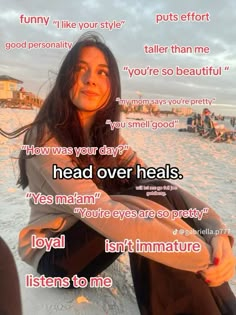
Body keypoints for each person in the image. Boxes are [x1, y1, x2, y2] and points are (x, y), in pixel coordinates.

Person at [1, 32, 236, 315]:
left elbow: (159, 186)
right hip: (57, 254)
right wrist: (196, 253)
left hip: (93, 234)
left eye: (102, 72)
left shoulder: (108, 139)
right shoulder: (45, 138)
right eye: (80, 69)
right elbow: (99, 210)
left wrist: (215, 232)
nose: (91, 79)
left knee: (153, 189)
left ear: (112, 86)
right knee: (142, 208)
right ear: (66, 78)